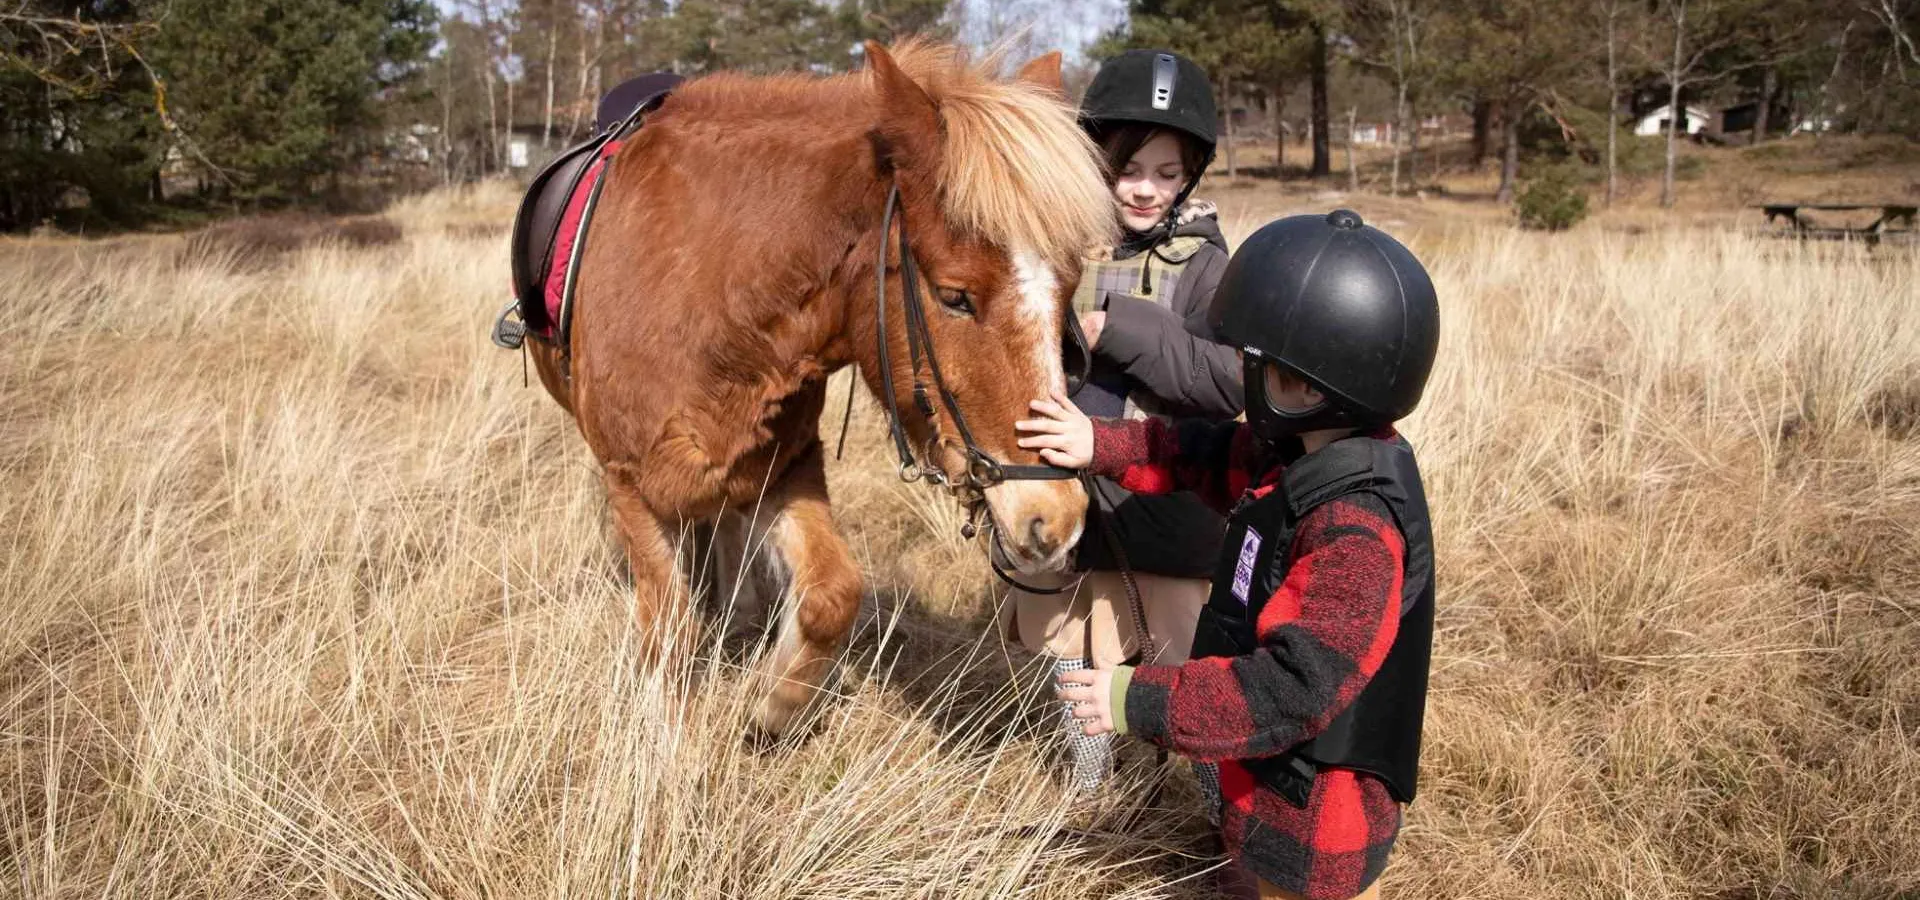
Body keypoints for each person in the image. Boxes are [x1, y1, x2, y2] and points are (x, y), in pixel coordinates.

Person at [1021, 209, 1440, 900]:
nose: (1245, 375)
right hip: (1260, 800)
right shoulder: (1305, 455)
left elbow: (1287, 691)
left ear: (1306, 386)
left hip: (1307, 837)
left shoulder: (1357, 534)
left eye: (1259, 364)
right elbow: (1202, 453)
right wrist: (1100, 443)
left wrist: (1133, 700)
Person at [997, 49, 1245, 796]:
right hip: (1062, 488)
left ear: (1191, 176)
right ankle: (1090, 774)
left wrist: (1124, 330)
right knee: (1071, 645)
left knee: (1183, 666)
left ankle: (1212, 800)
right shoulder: (1057, 243)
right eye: (1131, 168)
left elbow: (1225, 381)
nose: (1147, 189)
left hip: (1160, 500)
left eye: (1168, 174)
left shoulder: (1206, 263)